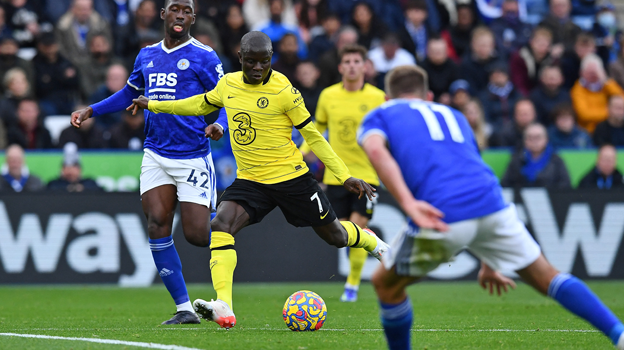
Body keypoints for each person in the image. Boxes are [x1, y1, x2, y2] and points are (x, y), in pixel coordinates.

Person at [358, 65, 624, 350]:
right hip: (492, 203)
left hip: (443, 211)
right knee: (549, 276)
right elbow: (471, 165)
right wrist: (489, 259)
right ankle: (623, 336)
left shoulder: (380, 114)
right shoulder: (455, 116)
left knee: (386, 284)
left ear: (387, 97)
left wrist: (408, 202)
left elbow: (374, 150)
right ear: (429, 96)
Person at [128, 31, 389, 330]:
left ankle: (373, 243)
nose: (256, 68)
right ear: (239, 58)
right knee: (220, 224)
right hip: (251, 180)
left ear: (271, 59)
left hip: (291, 178)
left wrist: (344, 176)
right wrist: (154, 105)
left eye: (263, 62)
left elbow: (313, 136)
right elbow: (199, 104)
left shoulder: (285, 91)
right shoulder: (228, 84)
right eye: (250, 61)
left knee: (336, 237)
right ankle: (223, 304)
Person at [69, 0, 225, 325]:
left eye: (187, 10)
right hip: (156, 153)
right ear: (164, 14)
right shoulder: (147, 54)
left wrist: (219, 123)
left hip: (193, 154)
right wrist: (91, 110)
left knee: (198, 235)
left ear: (193, 18)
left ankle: (231, 227)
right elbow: (129, 93)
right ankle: (184, 308)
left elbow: (226, 98)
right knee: (157, 224)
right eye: (174, 8)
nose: (180, 14)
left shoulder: (205, 56)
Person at [300, 44, 385, 302]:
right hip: (336, 175)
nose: (351, 65)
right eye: (346, 61)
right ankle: (352, 280)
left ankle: (352, 284)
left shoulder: (378, 98)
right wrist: (301, 151)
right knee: (343, 233)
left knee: (360, 226)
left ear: (365, 66)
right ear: (340, 67)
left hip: (367, 174)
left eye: (356, 61)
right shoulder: (328, 96)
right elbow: (317, 129)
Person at [501, 123, 571, 188]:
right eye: (530, 137)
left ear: (546, 139)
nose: (534, 141)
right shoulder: (517, 160)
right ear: (525, 141)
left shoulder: (556, 161)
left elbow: (565, 185)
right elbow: (505, 184)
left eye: (538, 137)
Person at [571, 54, 624, 133]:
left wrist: (606, 81)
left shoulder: (606, 85)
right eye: (589, 72)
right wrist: (611, 113)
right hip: (589, 131)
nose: (592, 75)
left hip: (610, 128)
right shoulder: (578, 89)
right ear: (582, 73)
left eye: (595, 72)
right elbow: (584, 114)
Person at [418, 36, 459, 104]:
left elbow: (457, 85)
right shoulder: (421, 68)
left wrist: (450, 96)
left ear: (446, 51)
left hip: (451, 102)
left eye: (440, 51)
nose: (437, 55)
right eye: (434, 52)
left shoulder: (453, 66)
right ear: (427, 51)